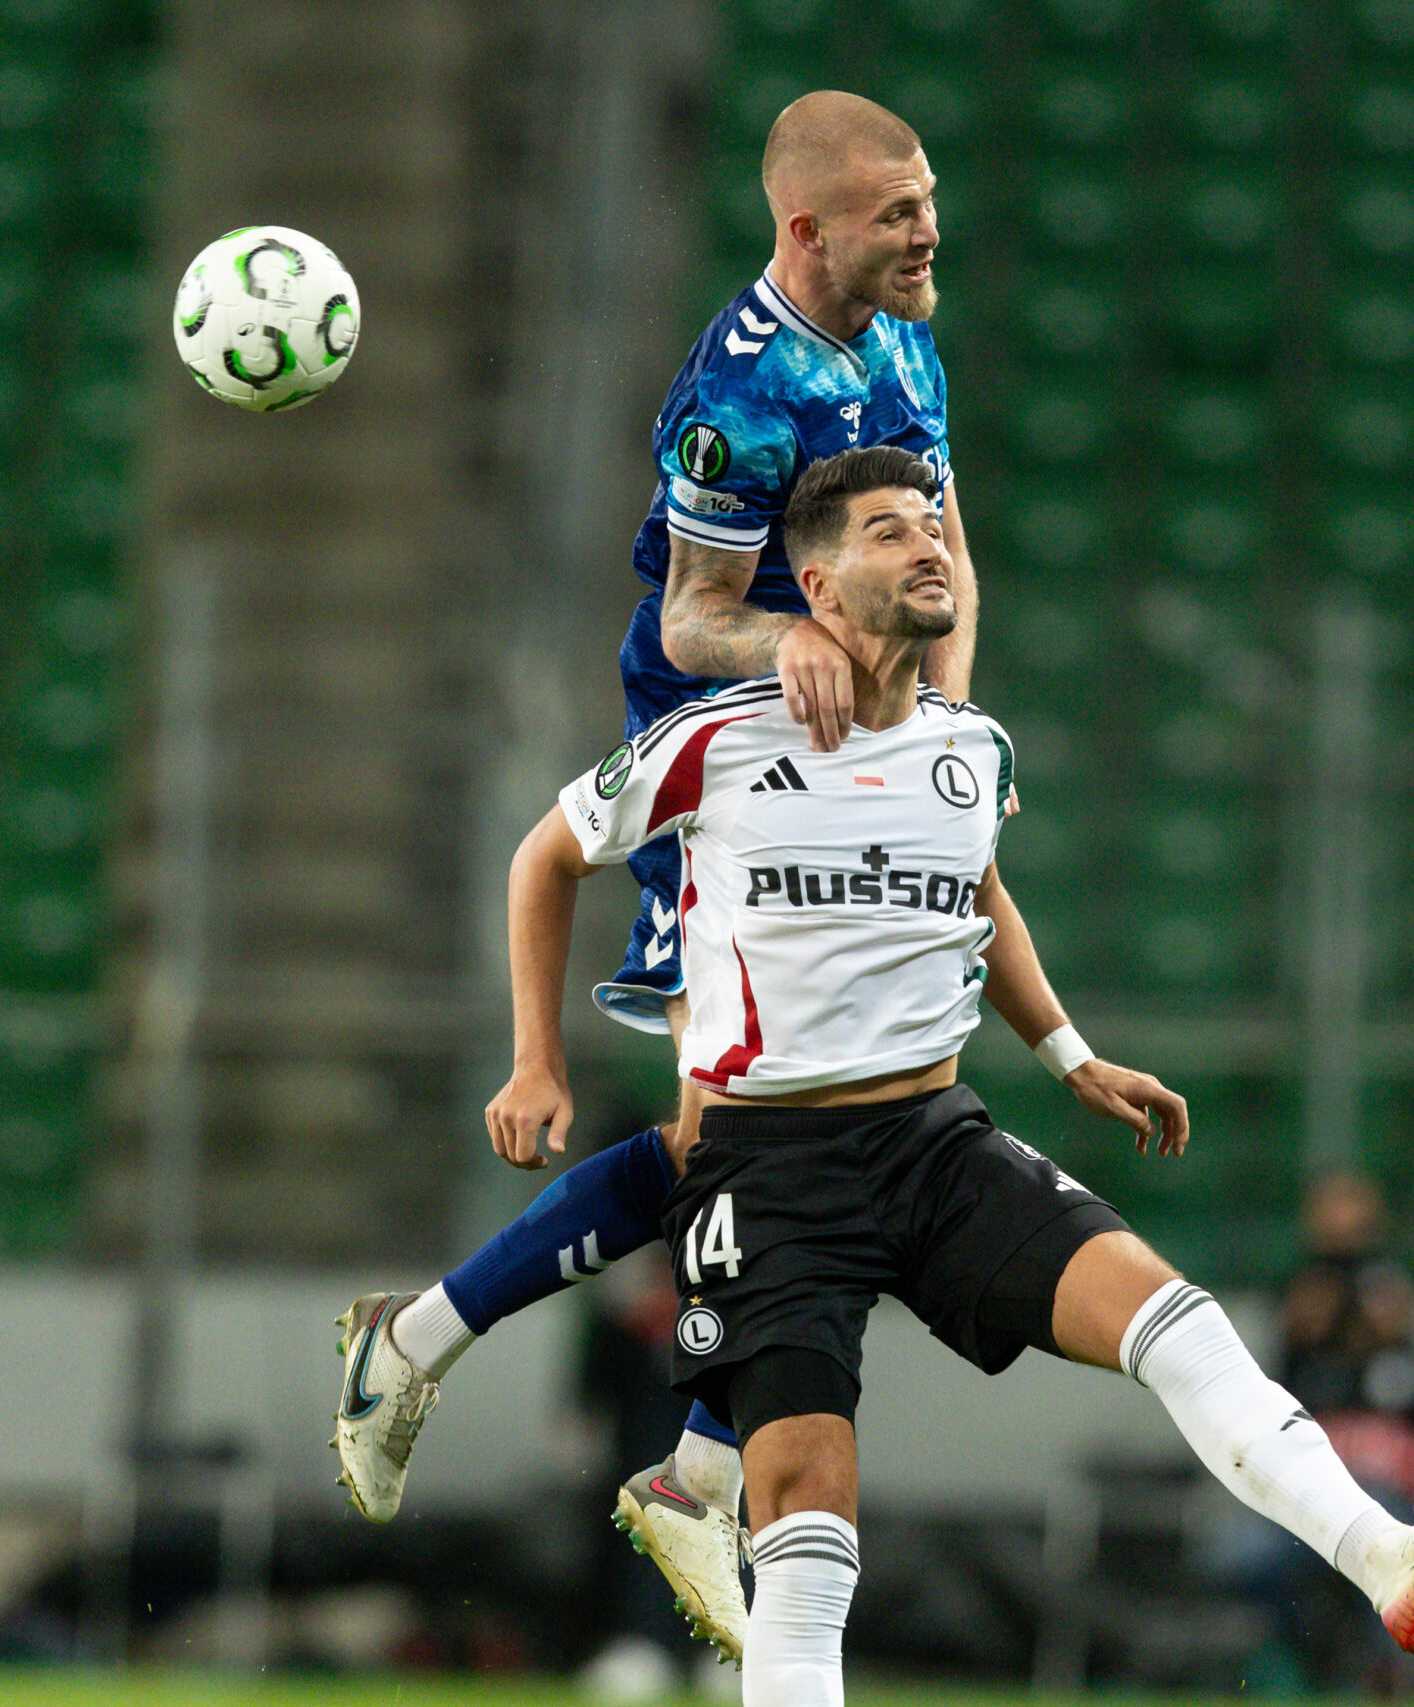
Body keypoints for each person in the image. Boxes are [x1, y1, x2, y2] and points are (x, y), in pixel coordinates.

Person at [501, 447, 1414, 1702]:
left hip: (936, 1143)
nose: (930, 547)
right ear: (819, 590)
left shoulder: (970, 749)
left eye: (933, 528)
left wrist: (1071, 1053)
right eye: (891, 533)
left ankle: (1386, 1558)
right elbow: (544, 860)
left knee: (1178, 1323)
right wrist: (536, 1061)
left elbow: (977, 900)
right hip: (767, 1172)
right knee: (807, 1528)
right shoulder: (711, 742)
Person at [332, 89, 978, 1659]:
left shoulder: (905, 348)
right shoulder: (734, 389)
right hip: (725, 761)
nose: (926, 228)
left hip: (860, 758)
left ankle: (465, 1358)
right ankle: (595, 1425)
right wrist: (800, 634)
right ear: (808, 225)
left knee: (815, 1127)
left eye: (930, 198)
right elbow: (695, 618)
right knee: (758, 1132)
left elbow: (952, 538)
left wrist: (948, 721)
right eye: (897, 210)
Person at [1251, 1172, 1414, 1692]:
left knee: (1389, 1553)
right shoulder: (1298, 1291)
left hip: (1385, 1492)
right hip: (1302, 1494)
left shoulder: (1389, 1291)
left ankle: (1380, 1675)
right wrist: (1302, 1334)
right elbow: (1271, 1400)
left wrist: (1392, 1332)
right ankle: (1287, 1669)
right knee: (1255, 1553)